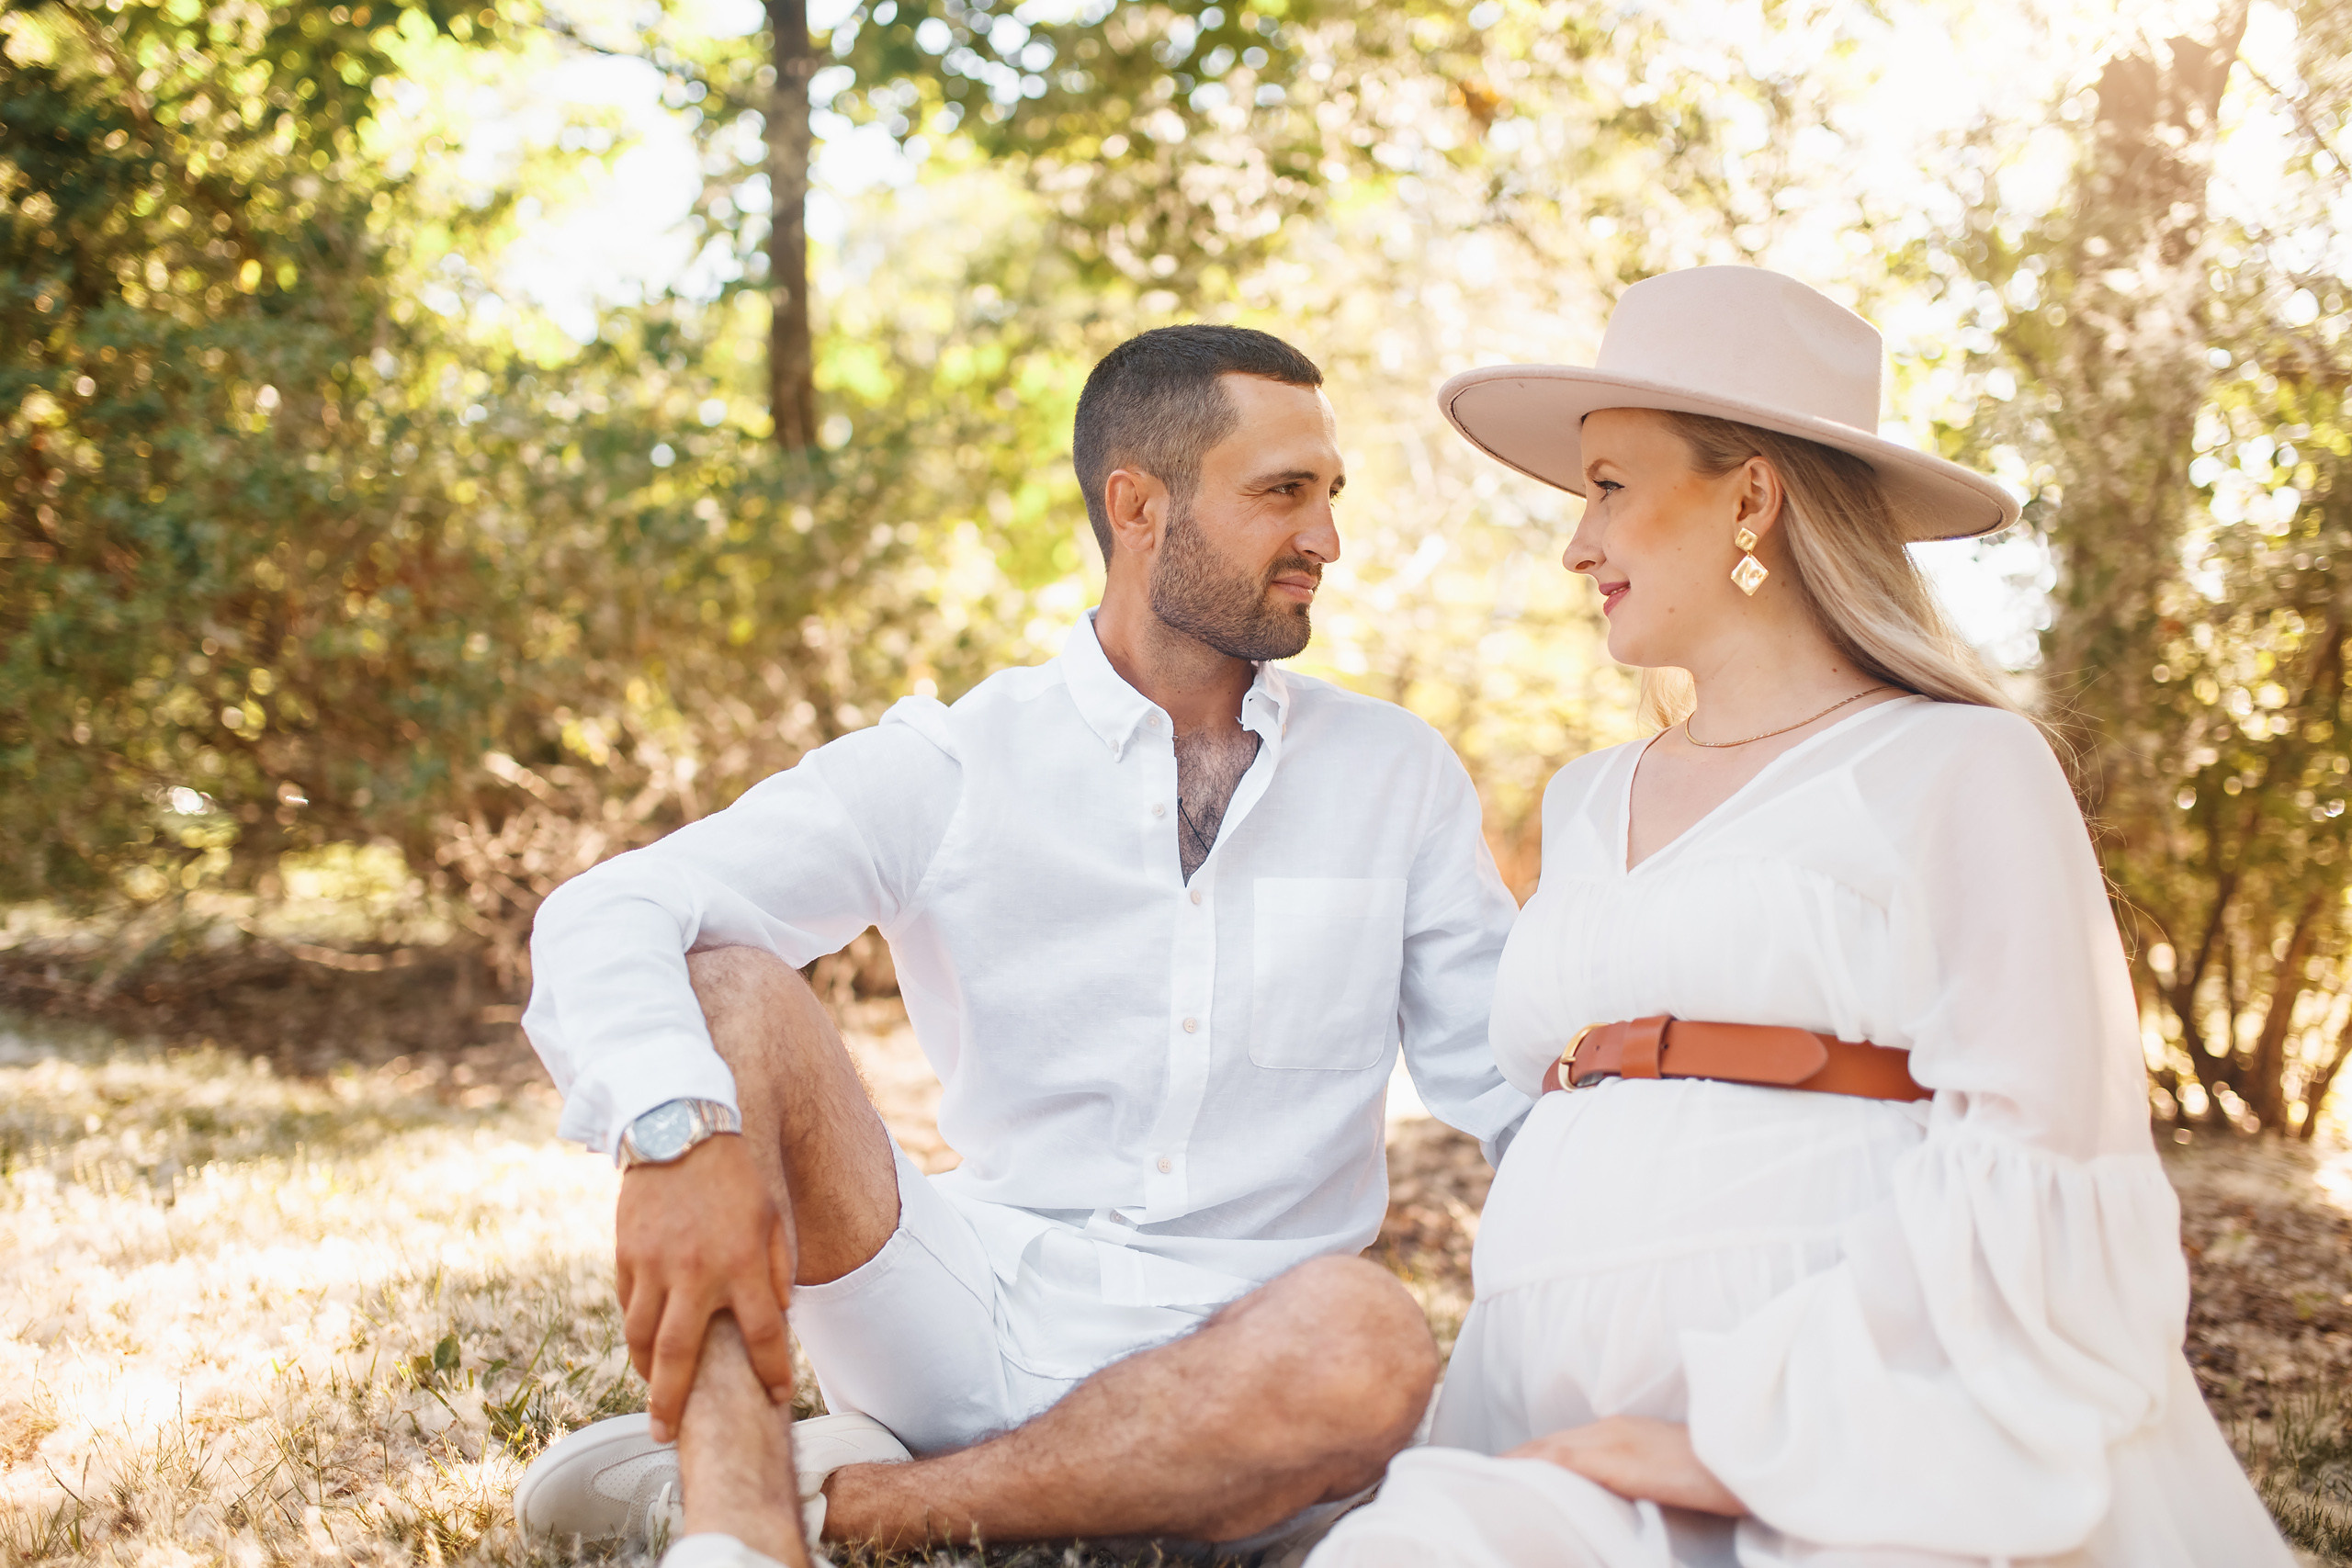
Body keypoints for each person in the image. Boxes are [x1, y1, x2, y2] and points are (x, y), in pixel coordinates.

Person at [1306, 267, 2298, 1567]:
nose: (1576, 544)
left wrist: (1742, 1439)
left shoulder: (1959, 763)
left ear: (1752, 499)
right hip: (1543, 1403)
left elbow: (2049, 1138)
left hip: (1865, 1421)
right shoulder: (1586, 797)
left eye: (1608, 485)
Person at [510, 324, 1532, 1568]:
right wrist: (678, 1133)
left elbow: (1513, 1082)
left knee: (1370, 1343)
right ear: (1137, 506)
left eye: (1330, 494)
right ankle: (736, 1534)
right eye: (1283, 493)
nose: (1326, 537)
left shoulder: (1394, 774)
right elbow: (611, 908)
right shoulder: (958, 761)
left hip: (1260, 1350)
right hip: (966, 1318)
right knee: (729, 989)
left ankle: (841, 1504)